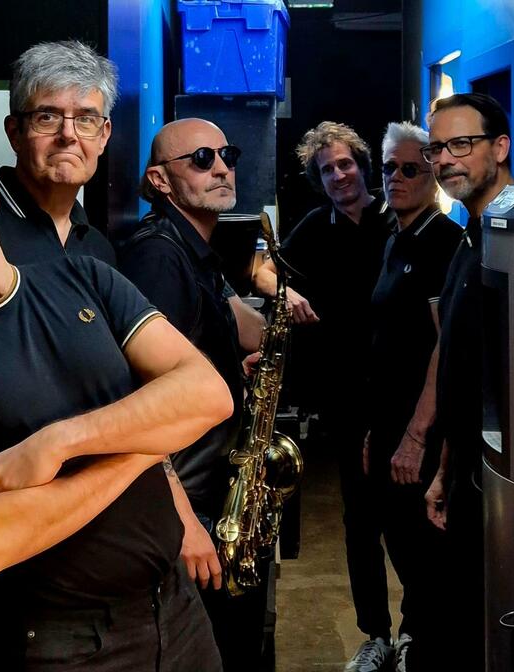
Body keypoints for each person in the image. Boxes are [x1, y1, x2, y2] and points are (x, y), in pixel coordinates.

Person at [0, 124, 233, 672]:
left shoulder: (84, 276)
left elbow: (209, 394)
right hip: (54, 645)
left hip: (176, 612)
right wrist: (144, 448)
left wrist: (60, 442)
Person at [118, 118, 267, 671]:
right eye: (202, 159)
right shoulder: (159, 256)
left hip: (211, 492)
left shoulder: (192, 249)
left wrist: (231, 371)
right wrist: (182, 519)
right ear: (161, 180)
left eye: (227, 155)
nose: (222, 168)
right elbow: (144, 398)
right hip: (190, 504)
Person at [253, 121, 397, 672]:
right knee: (360, 519)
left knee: (411, 521)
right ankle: (376, 635)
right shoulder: (318, 225)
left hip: (404, 391)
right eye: (327, 169)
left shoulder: (398, 217)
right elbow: (260, 269)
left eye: (345, 164)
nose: (338, 176)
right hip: (348, 397)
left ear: (362, 165)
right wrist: (285, 292)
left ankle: (419, 630)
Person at [421, 92, 514, 672]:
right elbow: (465, 373)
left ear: (500, 147)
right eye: (436, 149)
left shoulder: (512, 239)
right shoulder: (470, 237)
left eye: (461, 144)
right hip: (472, 477)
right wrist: (446, 469)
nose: (445, 160)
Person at [364, 122, 461, 672]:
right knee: (397, 537)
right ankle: (411, 635)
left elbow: (445, 348)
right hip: (388, 423)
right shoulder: (394, 239)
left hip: (419, 430)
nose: (396, 178)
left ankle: (422, 645)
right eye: (389, 168)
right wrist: (377, 431)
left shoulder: (444, 241)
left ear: (432, 176)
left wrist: (417, 437)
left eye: (410, 169)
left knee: (424, 549)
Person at [0, 40, 117, 266]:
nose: (68, 134)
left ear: (103, 136)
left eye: (86, 119)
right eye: (47, 117)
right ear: (14, 133)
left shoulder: (99, 250)